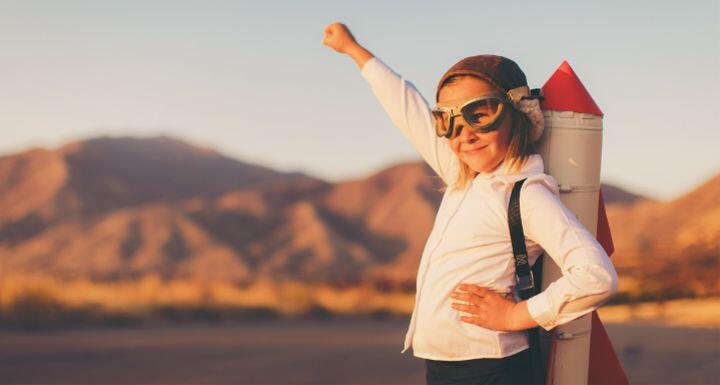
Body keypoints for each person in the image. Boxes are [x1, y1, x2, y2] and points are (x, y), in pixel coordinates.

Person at [322, 22, 619, 385]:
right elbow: (406, 108)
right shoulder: (464, 178)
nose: (465, 134)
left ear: (519, 113)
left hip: (490, 367)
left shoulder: (525, 194)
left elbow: (596, 276)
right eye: (447, 120)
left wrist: (517, 316)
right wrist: (354, 51)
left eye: (479, 114)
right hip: (442, 363)